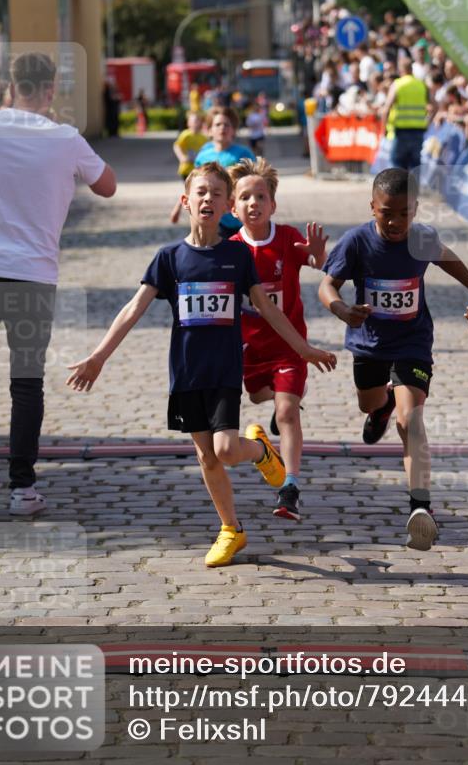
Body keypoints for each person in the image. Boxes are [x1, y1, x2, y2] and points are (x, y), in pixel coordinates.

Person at [66, 162, 336, 567]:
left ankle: (261, 451)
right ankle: (231, 529)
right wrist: (98, 357)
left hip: (226, 370)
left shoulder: (236, 256)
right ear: (185, 202)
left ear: (227, 205)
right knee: (206, 457)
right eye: (200, 193)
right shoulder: (169, 258)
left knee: (226, 449)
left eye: (216, 193)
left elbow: (267, 310)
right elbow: (132, 310)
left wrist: (304, 348)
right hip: (187, 374)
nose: (208, 198)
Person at [0, 52, 117, 513]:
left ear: (9, 86)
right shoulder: (66, 138)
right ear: (51, 89)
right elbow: (108, 186)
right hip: (33, 278)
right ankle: (22, 489)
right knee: (26, 382)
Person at [318, 167, 468, 551]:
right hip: (370, 344)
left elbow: (448, 258)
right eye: (386, 213)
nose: (395, 222)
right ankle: (379, 408)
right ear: (372, 208)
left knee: (411, 420)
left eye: (404, 213)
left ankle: (419, 508)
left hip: (412, 342)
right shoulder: (357, 242)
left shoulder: (423, 238)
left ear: (416, 210)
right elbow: (328, 284)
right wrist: (342, 309)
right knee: (371, 401)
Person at [229, 157, 329, 522]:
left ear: (273, 204)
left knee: (287, 411)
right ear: (233, 206)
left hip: (289, 346)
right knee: (257, 396)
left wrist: (317, 251)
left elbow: (316, 262)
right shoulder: (231, 248)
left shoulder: (286, 238)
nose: (253, 203)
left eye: (260, 196)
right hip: (250, 350)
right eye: (245, 197)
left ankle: (290, 487)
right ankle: (276, 414)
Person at [194, 107, 255, 237]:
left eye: (227, 124)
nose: (223, 128)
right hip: (215, 219)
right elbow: (193, 188)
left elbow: (256, 183)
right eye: (218, 124)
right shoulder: (202, 157)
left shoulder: (244, 154)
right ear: (209, 130)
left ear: (233, 130)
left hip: (241, 218)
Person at [380, 55, 429, 171]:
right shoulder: (421, 84)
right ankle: (414, 189)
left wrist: (384, 128)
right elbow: (435, 106)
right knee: (415, 165)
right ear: (411, 69)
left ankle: (399, 189)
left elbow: (386, 108)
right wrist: (427, 122)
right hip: (418, 131)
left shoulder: (398, 84)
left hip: (401, 131)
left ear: (401, 69)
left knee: (397, 164)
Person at [169, 111, 207, 225]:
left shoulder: (203, 137)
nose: (196, 123)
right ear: (188, 123)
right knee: (190, 191)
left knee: (192, 192)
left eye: (198, 121)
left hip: (198, 170)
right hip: (186, 169)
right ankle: (179, 210)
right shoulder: (185, 134)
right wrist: (182, 157)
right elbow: (176, 146)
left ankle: (193, 213)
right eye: (194, 121)